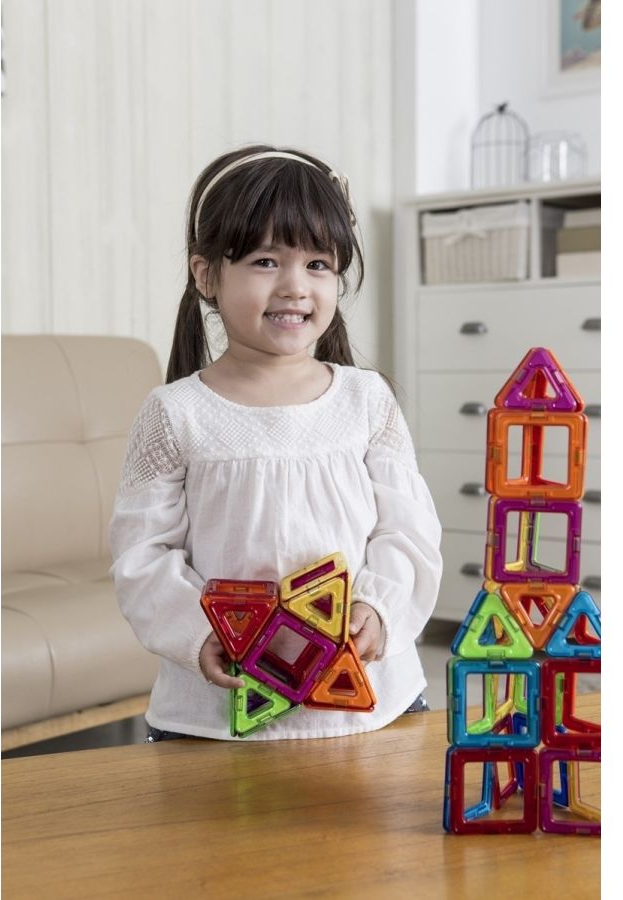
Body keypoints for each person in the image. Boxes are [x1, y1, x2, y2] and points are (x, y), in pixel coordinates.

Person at [109, 144, 443, 741]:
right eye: (265, 261)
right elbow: (143, 555)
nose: (295, 285)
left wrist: (379, 606)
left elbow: (408, 530)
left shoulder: (367, 400)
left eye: (318, 264)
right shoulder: (174, 413)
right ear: (206, 275)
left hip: (367, 704)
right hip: (215, 715)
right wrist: (199, 633)